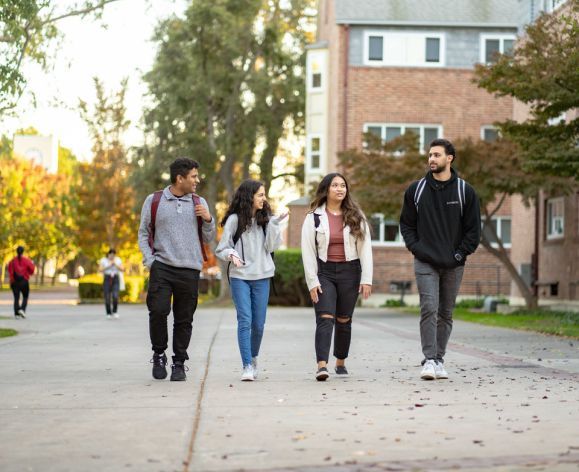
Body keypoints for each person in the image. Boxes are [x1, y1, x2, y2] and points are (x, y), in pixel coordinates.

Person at [399, 138, 481, 381]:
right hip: (425, 261)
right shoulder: (416, 190)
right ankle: (429, 360)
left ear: (449, 158)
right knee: (429, 307)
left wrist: (460, 253)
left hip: (454, 263)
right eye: (430, 155)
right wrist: (417, 249)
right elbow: (406, 225)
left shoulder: (465, 191)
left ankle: (439, 359)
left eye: (436, 155)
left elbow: (473, 230)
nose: (431, 159)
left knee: (446, 312)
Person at [138, 157, 216, 382]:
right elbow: (143, 232)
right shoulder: (154, 201)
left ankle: (179, 362)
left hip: (190, 269)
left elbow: (208, 237)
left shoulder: (199, 202)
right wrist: (150, 261)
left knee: (184, 319)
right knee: (158, 311)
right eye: (193, 176)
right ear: (179, 178)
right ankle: (159, 354)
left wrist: (208, 219)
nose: (197, 181)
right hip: (162, 267)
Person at [301, 173, 373, 381]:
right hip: (324, 272)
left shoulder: (356, 215)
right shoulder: (313, 217)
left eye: (343, 186)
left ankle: (340, 360)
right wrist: (312, 281)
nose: (340, 189)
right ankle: (321, 366)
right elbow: (307, 252)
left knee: (344, 319)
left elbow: (365, 248)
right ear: (326, 189)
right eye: (335, 185)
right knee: (325, 317)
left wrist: (366, 279)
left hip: (350, 272)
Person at [215, 180, 287, 381]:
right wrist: (232, 255)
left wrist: (274, 224)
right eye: (260, 195)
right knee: (244, 321)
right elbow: (221, 247)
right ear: (249, 197)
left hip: (262, 277)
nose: (264, 199)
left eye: (264, 195)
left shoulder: (267, 220)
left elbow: (272, 247)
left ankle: (253, 358)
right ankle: (247, 365)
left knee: (259, 325)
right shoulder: (234, 220)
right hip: (240, 277)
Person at [7, 246, 35, 319]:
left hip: (14, 282)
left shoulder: (12, 261)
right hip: (24, 281)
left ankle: (16, 313)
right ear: (23, 251)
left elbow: (10, 271)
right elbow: (32, 270)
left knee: (16, 298)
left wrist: (12, 279)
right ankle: (22, 310)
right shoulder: (27, 260)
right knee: (25, 296)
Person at [98, 248, 124, 319]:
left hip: (115, 278)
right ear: (108, 254)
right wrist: (108, 265)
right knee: (107, 297)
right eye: (111, 255)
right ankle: (108, 313)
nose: (112, 256)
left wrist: (115, 264)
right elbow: (100, 270)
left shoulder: (118, 260)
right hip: (107, 278)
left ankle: (115, 311)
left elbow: (122, 269)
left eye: (113, 255)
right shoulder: (103, 260)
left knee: (115, 296)